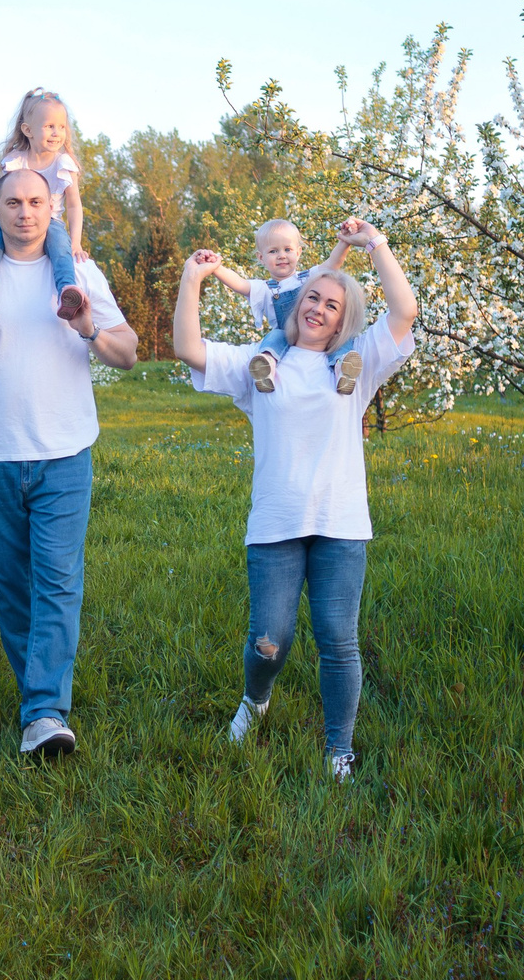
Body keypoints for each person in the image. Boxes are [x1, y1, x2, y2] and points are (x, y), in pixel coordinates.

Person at [174, 219, 418, 781]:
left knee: (338, 640)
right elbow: (188, 348)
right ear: (294, 303)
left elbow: (403, 311)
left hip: (340, 524)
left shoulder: (357, 367)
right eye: (312, 297)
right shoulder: (262, 367)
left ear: (343, 319)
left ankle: (339, 750)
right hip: (275, 527)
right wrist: (193, 281)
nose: (319, 309)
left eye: (333, 304)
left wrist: (374, 244)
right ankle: (255, 701)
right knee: (270, 641)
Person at [0, 165, 138, 758]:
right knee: (11, 589)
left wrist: (89, 325)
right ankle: (37, 700)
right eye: (12, 202)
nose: (24, 212)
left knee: (59, 582)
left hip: (64, 452)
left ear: (52, 206)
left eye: (35, 202)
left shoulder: (79, 272)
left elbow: (128, 353)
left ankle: (43, 712)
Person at [0, 88, 90, 326]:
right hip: (12, 223)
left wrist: (76, 242)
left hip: (49, 222)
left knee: (59, 244)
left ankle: (67, 291)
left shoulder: (64, 164)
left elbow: (74, 206)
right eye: (49, 126)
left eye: (61, 127)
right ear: (28, 130)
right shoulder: (15, 161)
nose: (57, 133)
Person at [202, 217, 363, 395]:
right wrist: (215, 268)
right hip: (289, 336)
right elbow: (239, 284)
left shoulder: (309, 277)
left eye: (288, 249)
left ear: (298, 252)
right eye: (273, 251)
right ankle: (266, 366)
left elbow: (333, 264)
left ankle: (343, 368)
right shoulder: (264, 289)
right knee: (274, 338)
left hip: (317, 331)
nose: (281, 255)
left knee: (341, 339)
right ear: (261, 257)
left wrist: (345, 241)